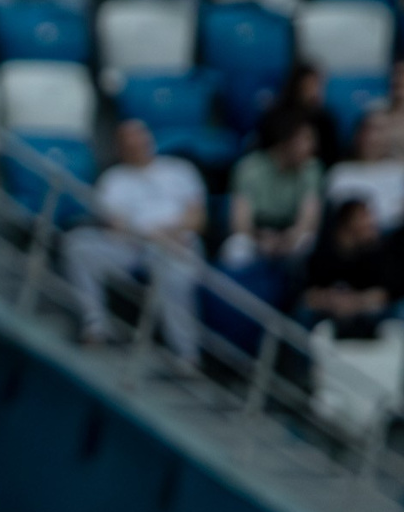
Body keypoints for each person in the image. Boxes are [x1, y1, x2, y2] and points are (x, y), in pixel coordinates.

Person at [65, 120, 207, 364]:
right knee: (79, 245)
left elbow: (198, 218)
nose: (137, 145)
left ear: (149, 139)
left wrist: (169, 234)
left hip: (177, 242)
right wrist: (150, 235)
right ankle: (95, 327)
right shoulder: (113, 179)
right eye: (128, 142)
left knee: (173, 270)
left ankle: (186, 355)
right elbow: (115, 224)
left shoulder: (179, 169)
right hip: (133, 245)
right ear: (120, 148)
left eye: (140, 137)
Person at [224, 117, 322, 291]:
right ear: (285, 142)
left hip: (290, 234)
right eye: (305, 139)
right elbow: (240, 222)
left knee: (307, 242)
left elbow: (308, 221)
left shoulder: (312, 168)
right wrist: (260, 240)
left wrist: (287, 240)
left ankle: (299, 300)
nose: (312, 146)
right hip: (258, 234)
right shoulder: (250, 167)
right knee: (236, 247)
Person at [301, 198, 396, 339]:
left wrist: (355, 302)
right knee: (303, 314)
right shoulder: (323, 252)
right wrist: (332, 301)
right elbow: (308, 295)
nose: (370, 222)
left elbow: (383, 295)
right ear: (347, 221)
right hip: (327, 311)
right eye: (363, 216)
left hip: (362, 312)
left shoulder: (375, 251)